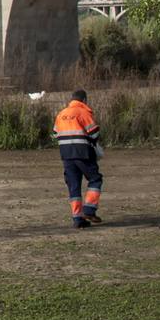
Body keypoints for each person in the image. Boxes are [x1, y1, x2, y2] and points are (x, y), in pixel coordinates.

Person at [53, 89, 104, 228]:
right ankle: (89, 210)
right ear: (84, 100)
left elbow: (55, 133)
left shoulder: (61, 113)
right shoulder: (83, 112)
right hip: (83, 153)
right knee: (95, 179)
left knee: (73, 185)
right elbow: (94, 133)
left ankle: (78, 219)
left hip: (66, 154)